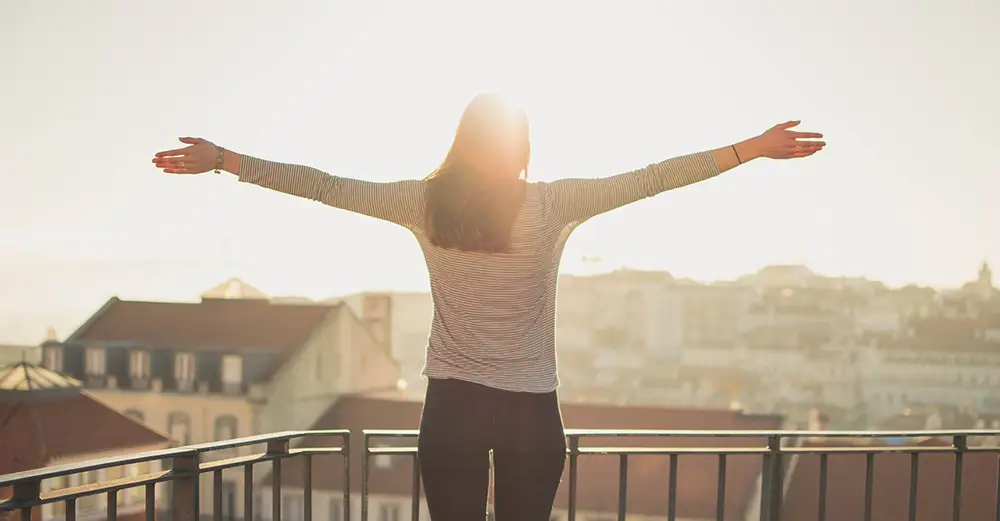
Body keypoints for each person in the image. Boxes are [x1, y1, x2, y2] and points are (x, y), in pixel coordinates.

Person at [152, 93, 825, 521]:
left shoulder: (423, 202)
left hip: (452, 407)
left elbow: (327, 187)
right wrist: (751, 149)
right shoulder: (553, 203)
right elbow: (652, 179)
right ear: (522, 148)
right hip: (531, 408)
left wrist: (226, 160)